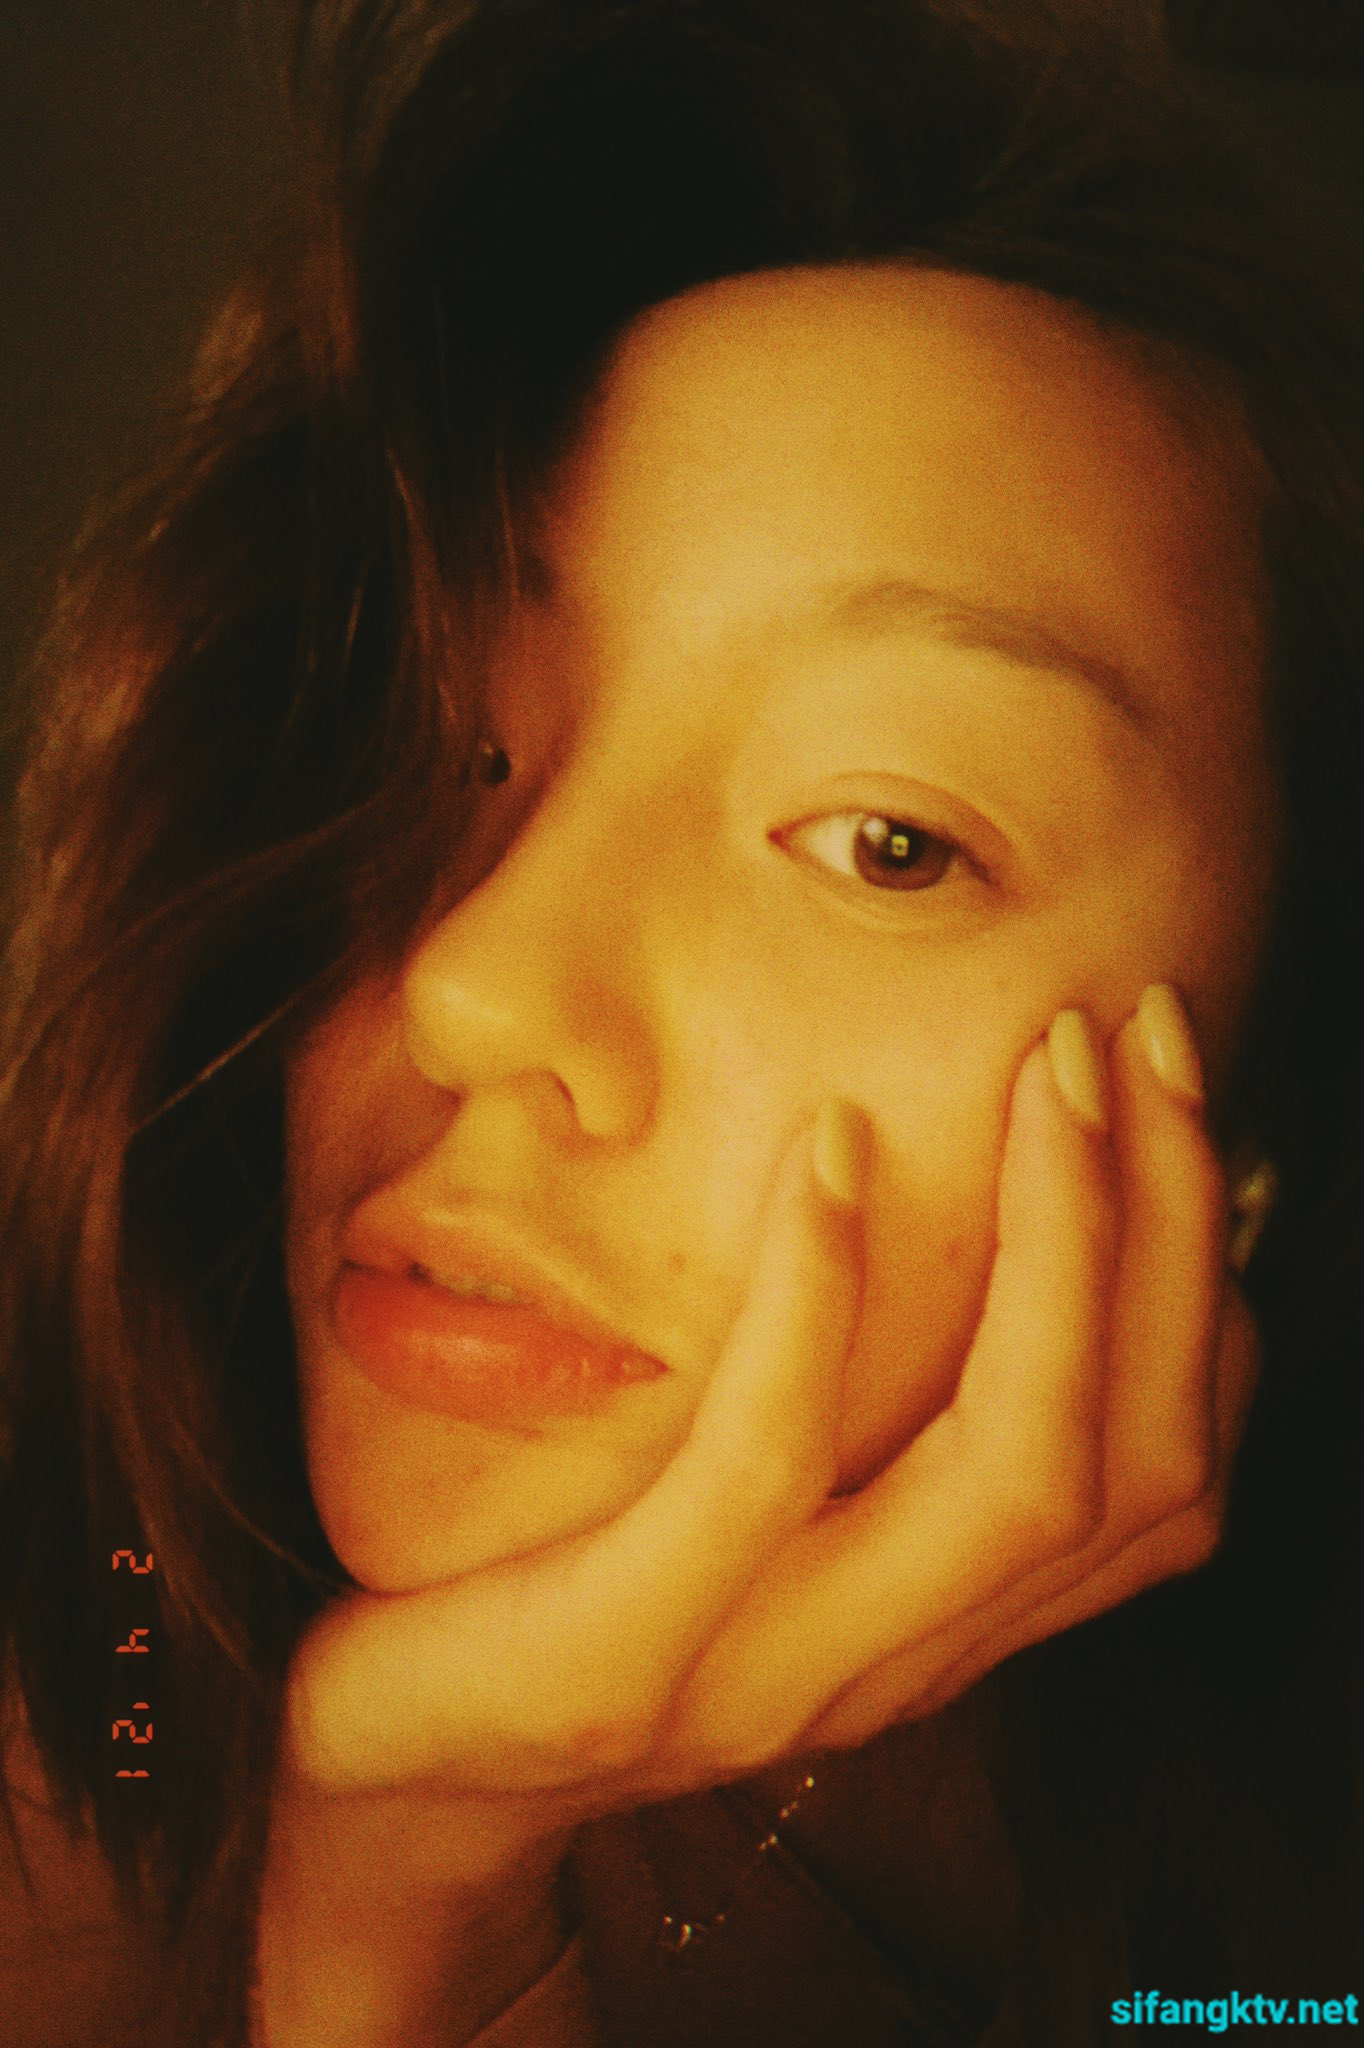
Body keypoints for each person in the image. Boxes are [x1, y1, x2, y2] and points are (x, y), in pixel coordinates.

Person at [2, 1, 1362, 2042]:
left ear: (1254, 1126)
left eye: (889, 839)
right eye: (443, 739)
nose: (470, 987)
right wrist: (402, 1869)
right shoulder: (83, 1692)